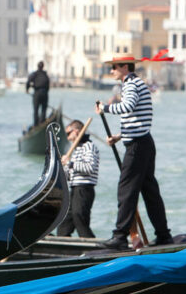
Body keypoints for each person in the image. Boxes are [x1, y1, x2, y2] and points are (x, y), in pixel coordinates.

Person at [94, 54, 172, 250]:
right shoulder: (137, 83)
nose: (111, 71)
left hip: (138, 147)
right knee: (150, 191)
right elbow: (138, 118)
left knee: (126, 190)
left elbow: (127, 107)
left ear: (124, 67)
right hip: (143, 143)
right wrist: (119, 136)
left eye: (114, 67)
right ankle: (164, 235)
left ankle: (120, 237)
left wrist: (105, 107)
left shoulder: (130, 84)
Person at [56, 119, 99, 238]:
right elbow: (71, 174)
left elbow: (90, 167)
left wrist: (70, 163)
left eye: (69, 133)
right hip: (74, 188)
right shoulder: (76, 150)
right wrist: (64, 168)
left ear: (76, 131)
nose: (68, 137)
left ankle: (90, 242)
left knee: (79, 216)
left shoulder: (89, 146)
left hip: (84, 188)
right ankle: (62, 240)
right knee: (65, 220)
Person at [25, 61, 50, 127]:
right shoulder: (45, 75)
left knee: (36, 110)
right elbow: (48, 86)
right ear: (43, 66)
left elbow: (28, 82)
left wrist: (27, 90)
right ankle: (42, 122)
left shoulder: (34, 74)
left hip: (37, 93)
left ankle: (36, 125)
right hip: (44, 93)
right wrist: (45, 92)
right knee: (43, 109)